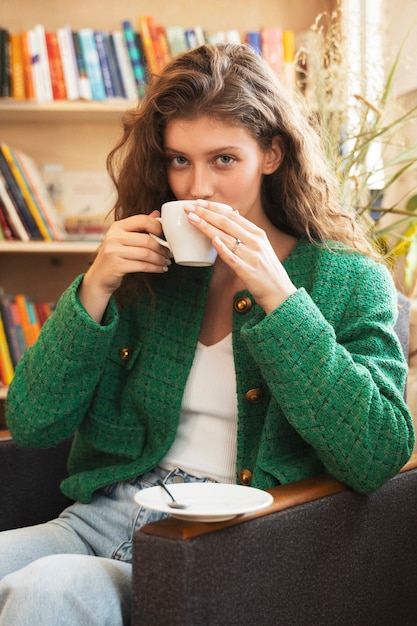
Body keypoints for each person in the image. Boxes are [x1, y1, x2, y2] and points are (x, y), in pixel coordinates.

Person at [0, 42, 414, 625]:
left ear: (271, 154)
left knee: (49, 590)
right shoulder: (143, 272)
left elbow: (377, 453)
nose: (197, 188)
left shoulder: (347, 279)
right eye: (179, 161)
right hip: (103, 517)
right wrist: (93, 289)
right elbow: (32, 419)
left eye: (224, 159)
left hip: (226, 539)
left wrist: (281, 299)